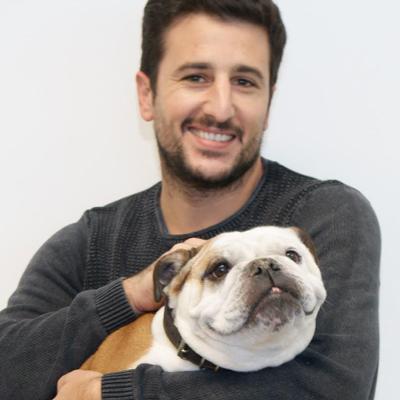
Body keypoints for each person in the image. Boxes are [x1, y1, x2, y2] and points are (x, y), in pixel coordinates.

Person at [0, 1, 381, 399]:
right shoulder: (89, 244)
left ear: (269, 102)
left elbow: (334, 386)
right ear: (147, 95)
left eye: (245, 82)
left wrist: (112, 393)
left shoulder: (326, 214)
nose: (221, 107)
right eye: (196, 77)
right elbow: (6, 372)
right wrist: (132, 293)